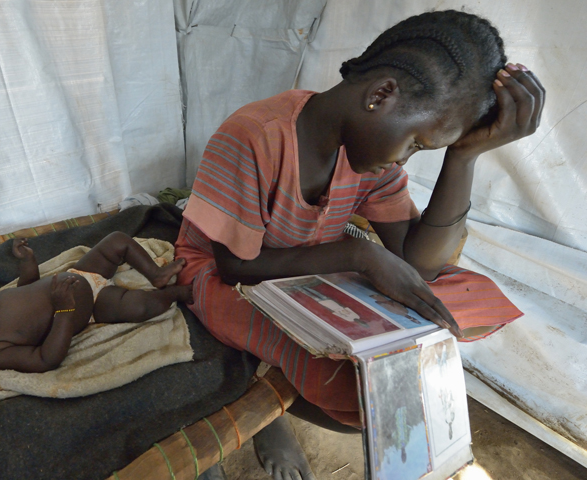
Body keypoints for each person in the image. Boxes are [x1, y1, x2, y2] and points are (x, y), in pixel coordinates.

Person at [175, 9, 544, 480]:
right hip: (218, 274)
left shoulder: (372, 162)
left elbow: (421, 264)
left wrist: (465, 155)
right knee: (358, 392)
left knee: (443, 305)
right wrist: (359, 254)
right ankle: (254, 412)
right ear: (381, 95)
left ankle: (264, 398)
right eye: (416, 143)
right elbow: (234, 267)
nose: (407, 157)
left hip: (302, 275)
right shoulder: (254, 134)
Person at [0, 232, 193, 380]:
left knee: (116, 240)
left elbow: (25, 291)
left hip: (79, 274)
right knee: (140, 307)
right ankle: (176, 294)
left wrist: (27, 264)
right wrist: (65, 311)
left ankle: (157, 273)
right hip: (93, 306)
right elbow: (46, 358)